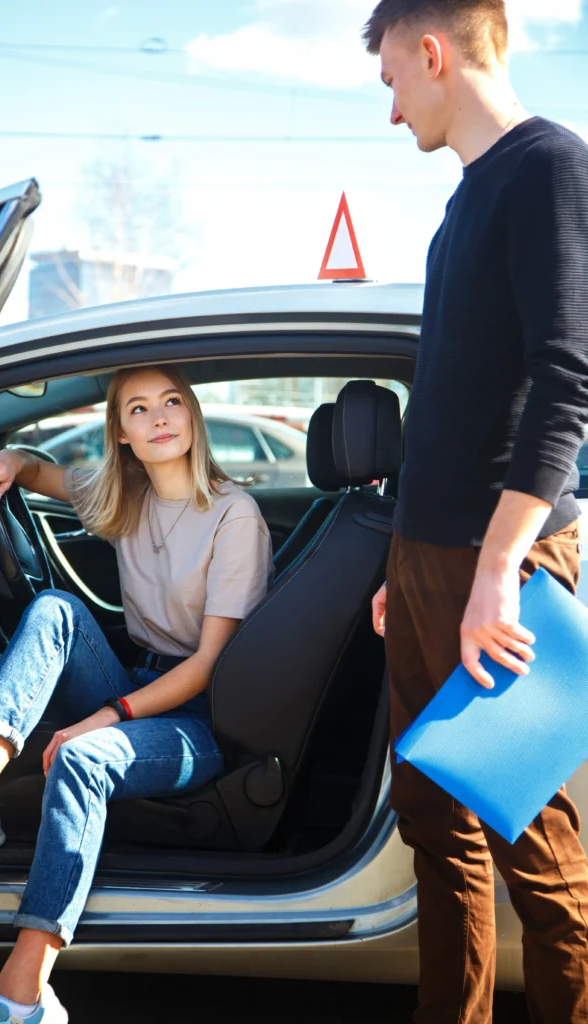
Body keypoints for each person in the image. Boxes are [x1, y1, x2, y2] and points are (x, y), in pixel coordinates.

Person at [362, 2, 588, 1022]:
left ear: (431, 51)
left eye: (390, 81)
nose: (390, 108)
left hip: (500, 562)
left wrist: (495, 569)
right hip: (429, 558)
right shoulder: (464, 200)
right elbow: (446, 400)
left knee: (532, 846)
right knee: (433, 821)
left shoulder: (549, 169)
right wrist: (401, 563)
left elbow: (566, 383)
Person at [0, 365, 273, 1024]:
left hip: (202, 717)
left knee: (82, 758)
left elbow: (208, 666)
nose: (159, 417)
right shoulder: (126, 493)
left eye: (172, 401)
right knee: (55, 610)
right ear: (119, 431)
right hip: (139, 678)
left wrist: (104, 717)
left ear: (193, 414)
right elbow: (37, 470)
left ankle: (22, 993)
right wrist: (5, 458)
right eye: (138, 409)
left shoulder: (236, 515)